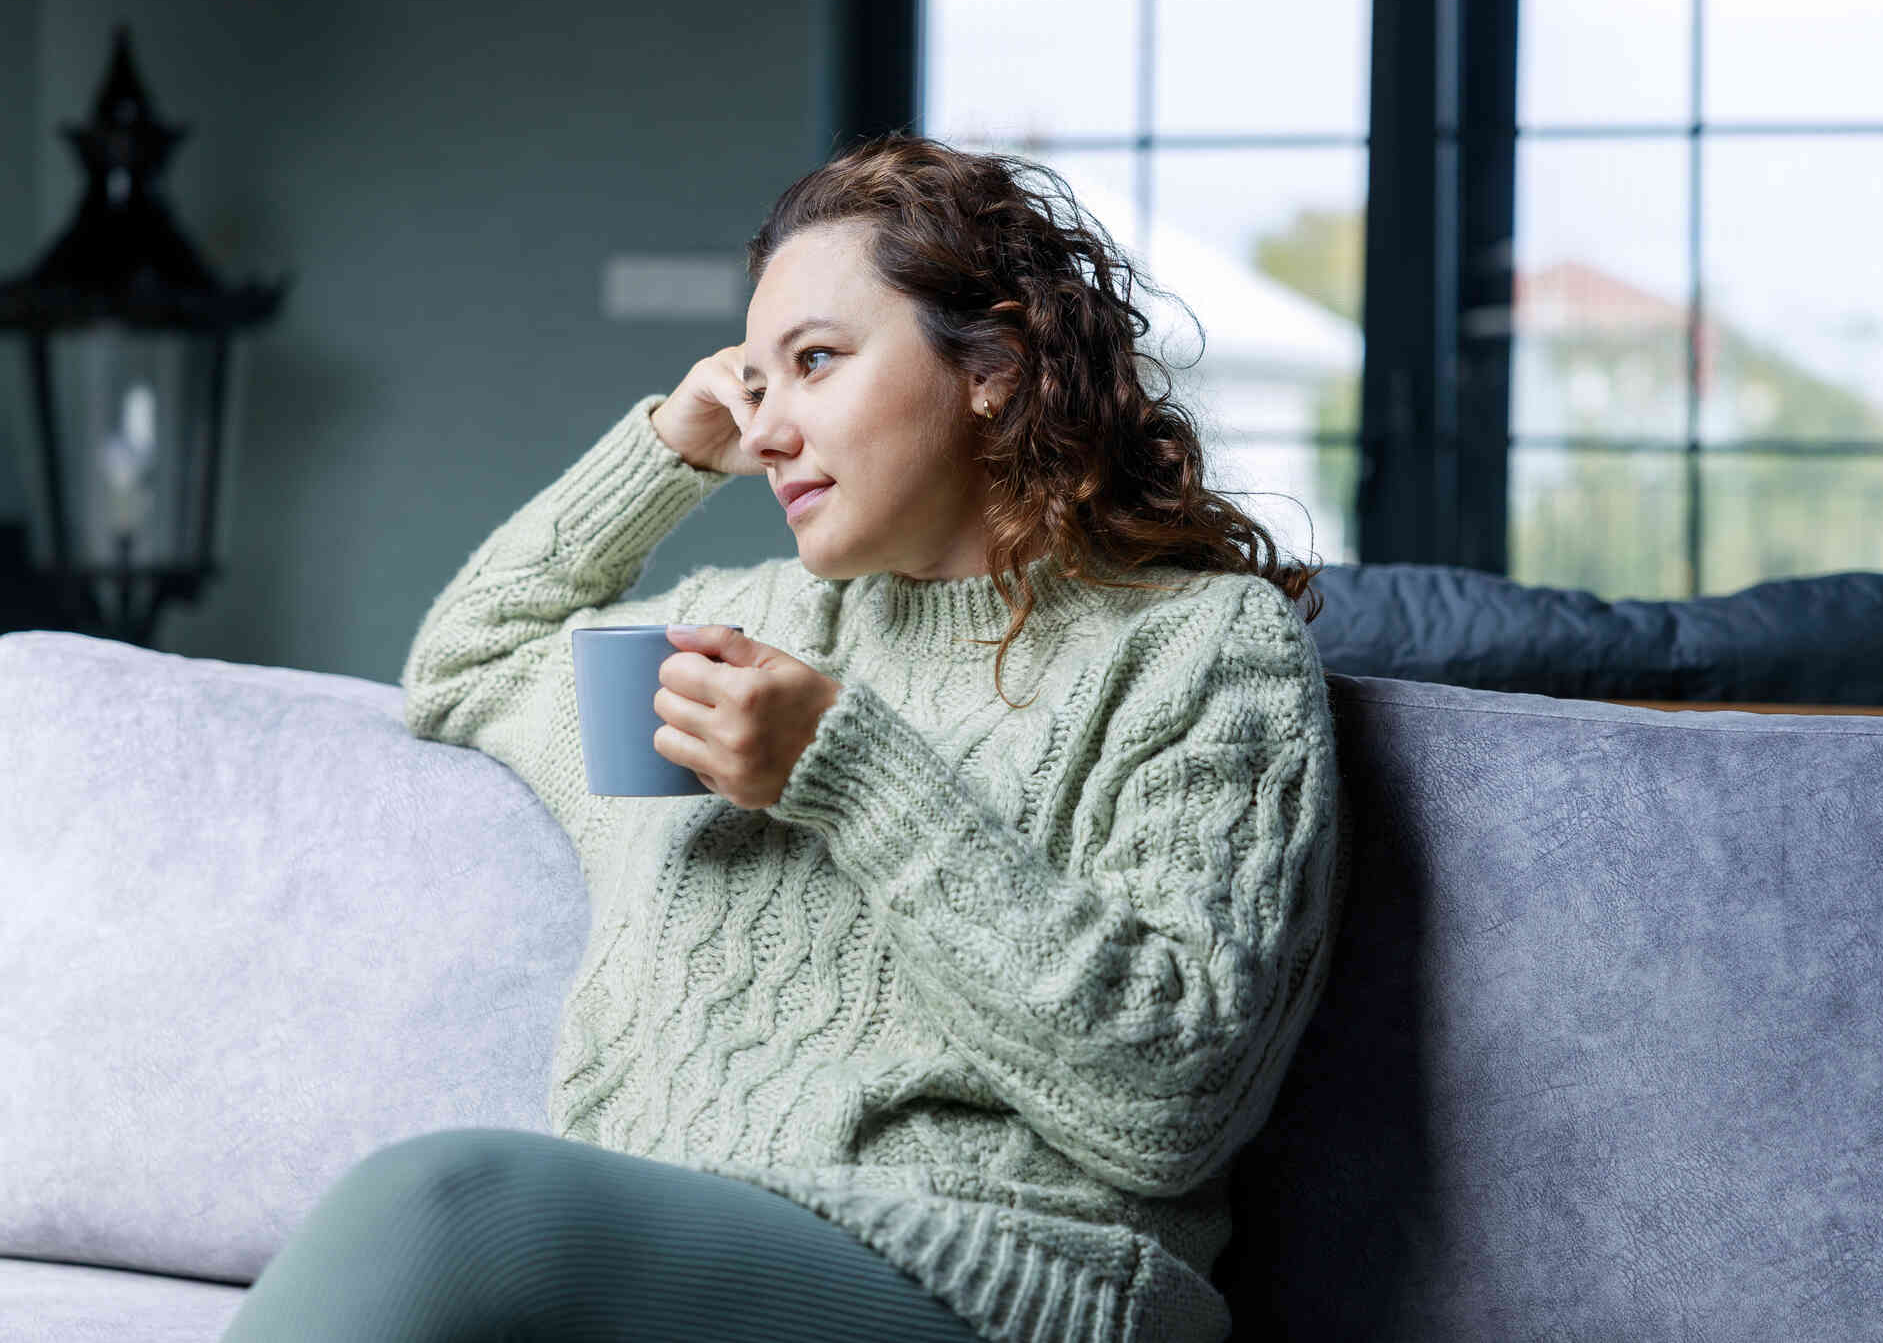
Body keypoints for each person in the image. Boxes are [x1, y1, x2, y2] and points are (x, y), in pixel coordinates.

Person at [219, 132, 1347, 1343]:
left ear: (996, 368)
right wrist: (668, 446)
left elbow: (1172, 1103)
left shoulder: (1197, 647)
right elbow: (469, 658)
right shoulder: (753, 628)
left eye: (816, 362)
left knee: (440, 1209)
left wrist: (844, 772)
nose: (767, 432)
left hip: (999, 1288)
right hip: (664, 1280)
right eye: (757, 383)